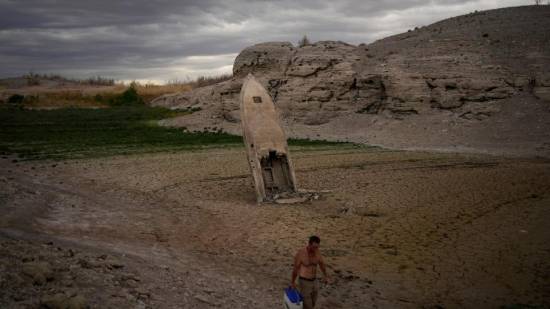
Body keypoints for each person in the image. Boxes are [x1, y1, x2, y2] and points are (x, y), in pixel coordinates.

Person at [290, 235, 330, 309]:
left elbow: (322, 264)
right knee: (308, 305)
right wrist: (292, 282)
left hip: (314, 281)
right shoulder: (301, 253)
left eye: (317, 247)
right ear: (309, 244)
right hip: (304, 282)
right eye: (314, 247)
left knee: (313, 302)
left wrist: (326, 276)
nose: (315, 249)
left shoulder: (317, 252)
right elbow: (295, 269)